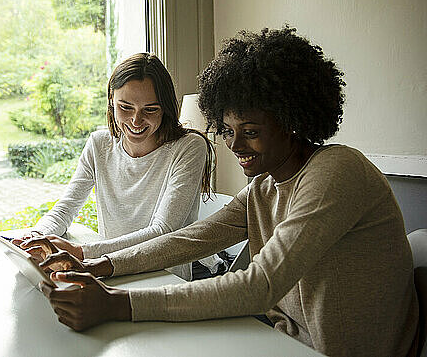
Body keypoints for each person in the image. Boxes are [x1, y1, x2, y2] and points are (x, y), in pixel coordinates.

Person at [26, 27, 420, 357]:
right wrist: (100, 266)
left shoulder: (337, 170)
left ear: (292, 122)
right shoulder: (265, 187)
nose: (235, 146)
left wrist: (118, 303)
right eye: (229, 131)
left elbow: (260, 285)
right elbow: (188, 240)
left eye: (250, 132)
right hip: (285, 341)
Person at [13, 52, 214, 280]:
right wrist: (36, 238)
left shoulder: (189, 147)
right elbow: (66, 207)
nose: (136, 121)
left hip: (164, 277)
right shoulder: (99, 144)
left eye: (150, 110)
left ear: (166, 108)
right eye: (125, 107)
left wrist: (82, 252)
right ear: (111, 101)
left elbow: (163, 231)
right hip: (107, 273)